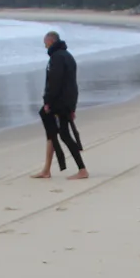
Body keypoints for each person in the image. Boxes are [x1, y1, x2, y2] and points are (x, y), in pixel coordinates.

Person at [33, 31, 86, 180]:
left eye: (45, 42)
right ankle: (46, 169)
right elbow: (72, 84)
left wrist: (48, 102)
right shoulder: (67, 56)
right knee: (52, 134)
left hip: (59, 102)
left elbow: (55, 83)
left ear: (50, 41)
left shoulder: (57, 58)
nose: (44, 45)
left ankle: (82, 169)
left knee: (63, 134)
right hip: (67, 101)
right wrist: (72, 106)